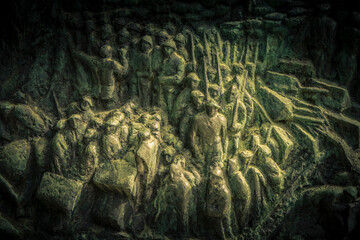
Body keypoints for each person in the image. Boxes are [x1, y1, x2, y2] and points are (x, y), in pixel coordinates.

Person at [71, 44, 128, 109]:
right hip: (109, 93)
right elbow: (124, 71)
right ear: (110, 54)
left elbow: (81, 56)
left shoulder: (93, 61)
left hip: (96, 92)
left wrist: (74, 51)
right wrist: (123, 57)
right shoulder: (112, 63)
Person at [189, 99, 228, 172]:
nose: (212, 110)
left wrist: (225, 152)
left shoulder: (222, 119)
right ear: (206, 107)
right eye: (209, 107)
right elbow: (192, 137)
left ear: (217, 108)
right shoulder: (198, 119)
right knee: (204, 170)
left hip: (217, 148)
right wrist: (197, 152)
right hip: (204, 147)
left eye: (214, 108)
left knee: (218, 170)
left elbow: (225, 137)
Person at [156, 39, 186, 113]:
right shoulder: (165, 60)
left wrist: (163, 79)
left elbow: (178, 78)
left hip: (173, 90)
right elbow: (162, 73)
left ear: (172, 49)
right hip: (162, 89)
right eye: (164, 48)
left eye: (167, 48)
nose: (165, 50)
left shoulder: (180, 60)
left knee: (170, 109)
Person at [131, 35, 153, 106]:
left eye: (146, 43)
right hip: (137, 81)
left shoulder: (150, 56)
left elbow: (150, 73)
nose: (143, 45)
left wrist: (141, 74)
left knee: (145, 96)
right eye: (142, 43)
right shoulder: (138, 55)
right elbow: (134, 67)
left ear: (149, 45)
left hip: (145, 82)